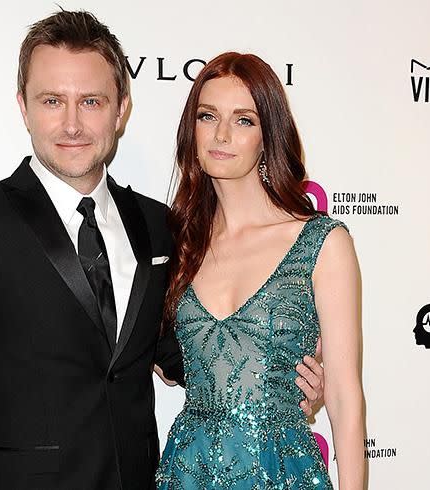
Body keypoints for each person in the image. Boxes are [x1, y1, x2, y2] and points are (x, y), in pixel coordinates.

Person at [0, 10, 325, 490]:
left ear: (121, 108)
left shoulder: (157, 223)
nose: (72, 124)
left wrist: (281, 380)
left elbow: (179, 348)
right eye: (52, 101)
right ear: (23, 107)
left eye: (91, 101)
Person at [156, 52, 366, 489]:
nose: (221, 134)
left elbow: (346, 400)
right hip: (189, 472)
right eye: (207, 115)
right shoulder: (176, 243)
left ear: (268, 135)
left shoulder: (322, 243)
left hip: (280, 474)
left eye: (244, 120)